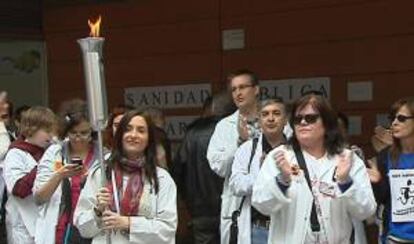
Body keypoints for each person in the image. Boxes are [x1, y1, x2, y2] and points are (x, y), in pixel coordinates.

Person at [252, 94, 376, 243]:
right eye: (298, 119)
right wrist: (282, 181)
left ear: (326, 123)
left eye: (310, 118)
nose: (303, 122)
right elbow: (261, 204)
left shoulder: (347, 159)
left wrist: (345, 182)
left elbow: (366, 211)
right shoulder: (279, 157)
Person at [74, 110, 177, 243]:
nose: (133, 135)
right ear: (119, 136)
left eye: (141, 130)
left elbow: (167, 229)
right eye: (128, 129)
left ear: (149, 139)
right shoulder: (101, 174)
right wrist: (98, 211)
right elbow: (83, 228)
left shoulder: (161, 179)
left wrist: (128, 223)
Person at [33, 99, 103, 244]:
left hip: (93, 229)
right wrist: (59, 175)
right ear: (65, 131)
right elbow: (39, 198)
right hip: (61, 229)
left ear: (93, 131)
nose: (78, 138)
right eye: (73, 133)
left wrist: (89, 181)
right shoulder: (54, 153)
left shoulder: (104, 156)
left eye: (84, 133)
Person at [172, 92, 235, 244]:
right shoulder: (236, 132)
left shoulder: (193, 133)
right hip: (233, 208)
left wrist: (187, 200)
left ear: (210, 109)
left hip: (201, 210)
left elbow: (178, 171)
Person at [207, 69, 262, 244]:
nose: (238, 93)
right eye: (234, 89)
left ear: (256, 90)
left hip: (268, 206)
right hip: (237, 205)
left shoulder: (273, 119)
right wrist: (239, 142)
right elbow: (218, 167)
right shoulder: (224, 126)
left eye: (243, 87)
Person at [229, 98, 288, 244]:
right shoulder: (247, 149)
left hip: (289, 228)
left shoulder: (297, 150)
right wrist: (260, 174)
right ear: (259, 121)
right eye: (265, 114)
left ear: (286, 120)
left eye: (276, 113)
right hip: (259, 229)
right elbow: (235, 185)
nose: (271, 118)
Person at [3, 106, 58, 244]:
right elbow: (19, 189)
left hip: (45, 225)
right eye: (46, 131)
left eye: (52, 131)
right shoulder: (15, 154)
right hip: (23, 227)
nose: (51, 136)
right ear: (31, 129)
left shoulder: (49, 152)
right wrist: (43, 164)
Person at [371, 97, 414, 243]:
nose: (394, 123)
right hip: (395, 236)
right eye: (393, 118)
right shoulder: (385, 157)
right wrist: (376, 182)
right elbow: (381, 199)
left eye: (401, 118)